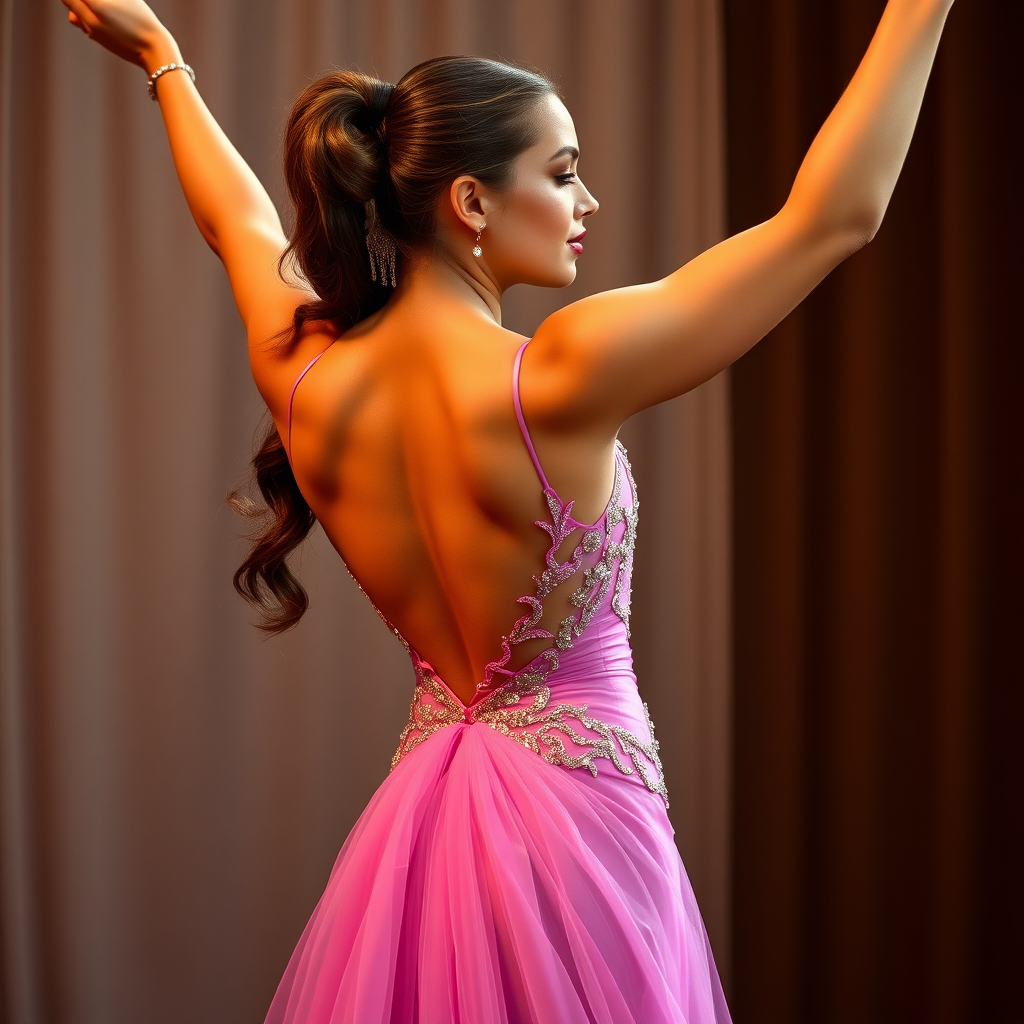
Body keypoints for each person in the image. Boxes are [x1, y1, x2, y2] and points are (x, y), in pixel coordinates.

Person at [61, 0, 955, 1020]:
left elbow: (239, 224)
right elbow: (832, 218)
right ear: (473, 202)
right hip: (582, 843)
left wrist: (162, 59)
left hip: (422, 846)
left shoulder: (303, 378)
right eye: (563, 171)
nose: (589, 201)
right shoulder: (560, 376)